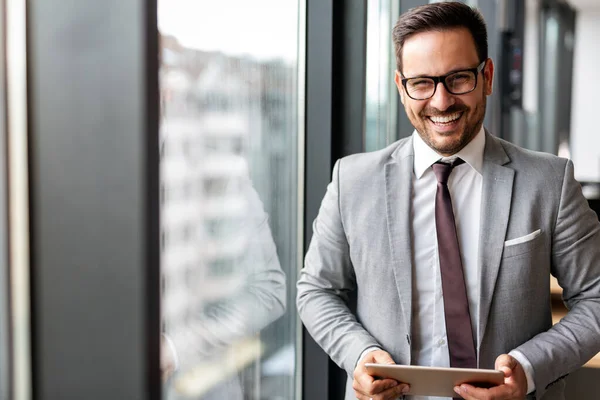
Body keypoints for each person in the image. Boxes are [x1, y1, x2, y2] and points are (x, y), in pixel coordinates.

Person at [296, 2, 600, 400]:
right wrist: (361, 354)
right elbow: (316, 291)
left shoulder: (549, 181)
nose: (441, 102)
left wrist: (527, 370)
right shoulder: (351, 180)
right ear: (401, 88)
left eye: (458, 79)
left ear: (487, 76)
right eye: (422, 83)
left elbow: (595, 298)